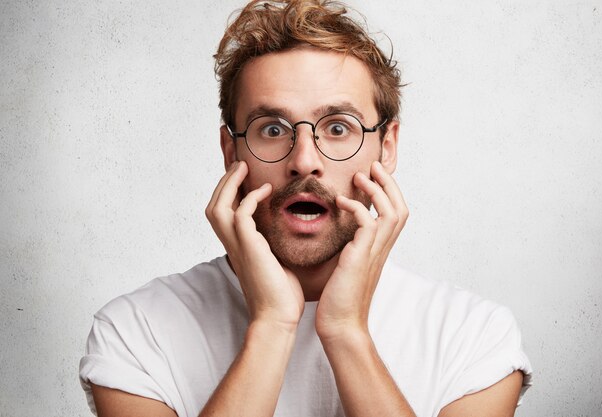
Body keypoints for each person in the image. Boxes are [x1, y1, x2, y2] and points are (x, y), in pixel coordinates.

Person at [79, 1, 532, 416]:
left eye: (338, 127)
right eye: (271, 129)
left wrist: (345, 331)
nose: (304, 161)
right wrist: (272, 324)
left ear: (387, 146)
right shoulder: (138, 330)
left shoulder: (473, 335)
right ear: (231, 152)